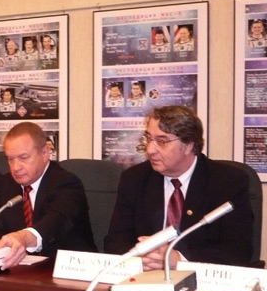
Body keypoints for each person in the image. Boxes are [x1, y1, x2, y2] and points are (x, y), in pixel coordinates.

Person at [104, 106, 254, 269]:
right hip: (144, 275)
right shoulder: (135, 178)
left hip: (199, 278)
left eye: (161, 141)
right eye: (148, 138)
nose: (150, 150)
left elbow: (238, 251)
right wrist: (141, 259)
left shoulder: (228, 181)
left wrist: (179, 259)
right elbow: (115, 241)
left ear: (188, 144)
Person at [0, 122, 96, 269]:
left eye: (23, 157)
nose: (15, 167)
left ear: (45, 153)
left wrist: (24, 238)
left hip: (67, 268)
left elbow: (56, 221)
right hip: (20, 269)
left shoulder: (66, 182)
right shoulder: (5, 184)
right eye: (10, 159)